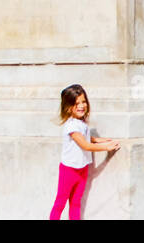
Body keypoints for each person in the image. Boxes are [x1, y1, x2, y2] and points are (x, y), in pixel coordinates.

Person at [49, 84, 119, 221]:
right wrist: (106, 147)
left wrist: (98, 140)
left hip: (82, 169)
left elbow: (86, 137)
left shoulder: (81, 123)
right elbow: (85, 145)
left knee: (75, 203)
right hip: (69, 170)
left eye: (83, 101)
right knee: (60, 203)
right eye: (76, 103)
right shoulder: (71, 126)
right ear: (68, 107)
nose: (81, 106)